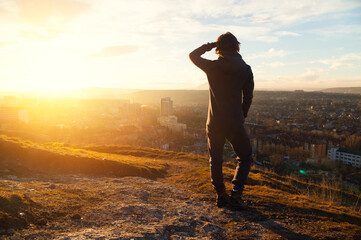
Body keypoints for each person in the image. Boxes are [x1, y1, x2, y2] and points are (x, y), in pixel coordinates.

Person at [189, 32, 254, 209]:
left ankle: (220, 195)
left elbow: (192, 56)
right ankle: (237, 194)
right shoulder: (246, 69)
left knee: (215, 159)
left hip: (215, 121)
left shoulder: (213, 66)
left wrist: (210, 45)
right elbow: (248, 97)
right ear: (237, 47)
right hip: (235, 121)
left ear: (219, 48)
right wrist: (242, 115)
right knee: (245, 157)